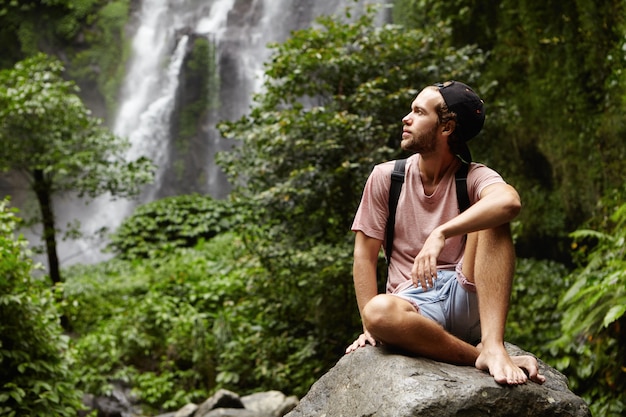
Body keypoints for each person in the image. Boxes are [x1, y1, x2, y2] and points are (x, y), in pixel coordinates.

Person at [345, 80, 545, 385]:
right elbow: (364, 254)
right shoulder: (387, 177)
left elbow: (509, 202)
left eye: (418, 112)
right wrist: (368, 327)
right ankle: (478, 355)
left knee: (495, 214)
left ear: (447, 127)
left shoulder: (473, 176)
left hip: (465, 292)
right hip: (411, 303)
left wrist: (441, 233)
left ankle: (493, 343)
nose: (406, 118)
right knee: (378, 311)